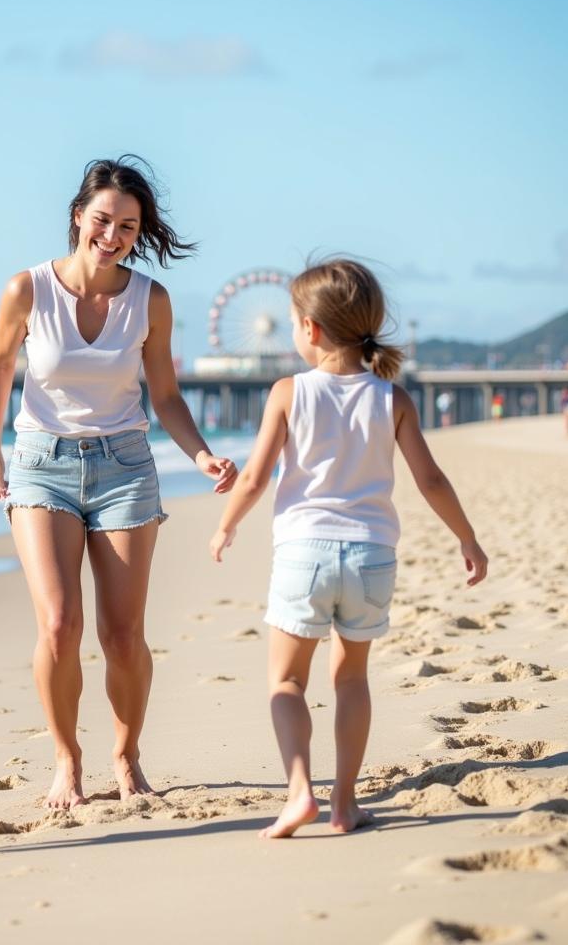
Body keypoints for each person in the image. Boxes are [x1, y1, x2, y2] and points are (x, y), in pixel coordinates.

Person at [0, 156, 237, 809]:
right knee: (60, 625)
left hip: (126, 466)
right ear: (78, 216)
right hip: (41, 464)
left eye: (128, 225)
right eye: (102, 220)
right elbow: (0, 368)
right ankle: (66, 759)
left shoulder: (149, 300)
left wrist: (202, 455)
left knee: (123, 637)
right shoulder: (27, 290)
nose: (113, 234)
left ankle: (126, 756)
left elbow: (168, 396)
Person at [208, 258, 487, 838]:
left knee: (286, 683)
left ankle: (298, 792)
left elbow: (256, 478)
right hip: (371, 557)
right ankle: (343, 802)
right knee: (351, 679)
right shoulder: (393, 398)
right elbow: (430, 480)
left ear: (309, 329)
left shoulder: (289, 392)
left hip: (303, 555)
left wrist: (226, 525)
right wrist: (467, 537)